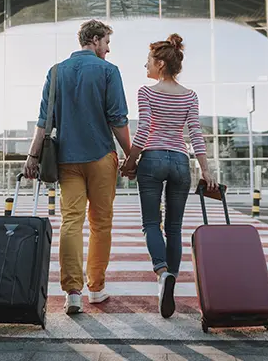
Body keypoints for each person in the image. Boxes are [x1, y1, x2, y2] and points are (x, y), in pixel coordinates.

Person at [23, 19, 132, 315]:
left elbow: (45, 121)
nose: (108, 50)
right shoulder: (109, 71)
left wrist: (32, 157)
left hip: (67, 160)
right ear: (95, 40)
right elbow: (118, 119)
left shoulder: (56, 72)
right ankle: (95, 288)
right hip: (100, 158)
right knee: (101, 224)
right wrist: (131, 155)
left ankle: (73, 292)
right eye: (107, 43)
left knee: (71, 222)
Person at [120, 33, 217, 319]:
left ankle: (162, 274)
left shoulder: (146, 92)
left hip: (152, 159)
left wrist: (130, 160)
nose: (145, 66)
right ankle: (170, 278)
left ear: (160, 63)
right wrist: (205, 169)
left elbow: (145, 128)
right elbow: (195, 134)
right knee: (174, 228)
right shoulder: (190, 95)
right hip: (179, 161)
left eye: (148, 61)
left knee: (151, 223)